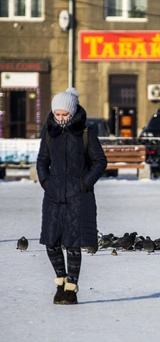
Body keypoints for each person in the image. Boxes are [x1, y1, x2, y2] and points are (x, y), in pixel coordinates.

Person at [37, 87, 107, 305]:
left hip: (78, 196)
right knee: (52, 241)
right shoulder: (49, 134)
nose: (60, 118)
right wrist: (46, 182)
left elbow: (100, 162)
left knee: (73, 243)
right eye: (57, 114)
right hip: (54, 195)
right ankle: (60, 281)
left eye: (64, 114)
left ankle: (71, 289)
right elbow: (42, 161)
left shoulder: (86, 133)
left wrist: (85, 183)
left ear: (73, 112)